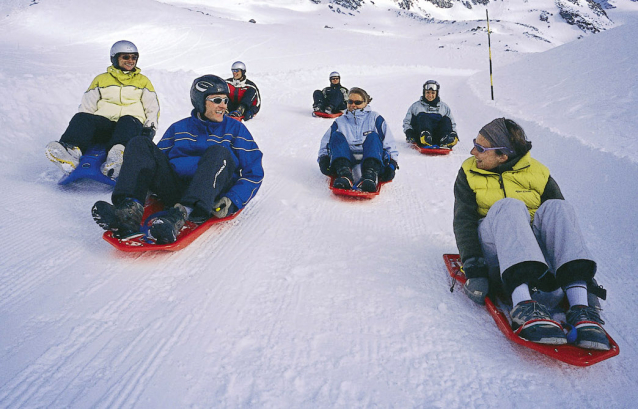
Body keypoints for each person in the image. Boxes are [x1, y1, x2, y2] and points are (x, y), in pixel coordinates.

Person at [453, 117, 610, 350]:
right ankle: (523, 303)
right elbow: (463, 221)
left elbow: (562, 229)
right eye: (475, 143)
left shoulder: (539, 173)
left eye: (481, 148)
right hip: (495, 253)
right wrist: (473, 267)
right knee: (510, 206)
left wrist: (586, 279)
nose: (473, 151)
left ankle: (579, 304)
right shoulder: (468, 171)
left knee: (559, 208)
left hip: (537, 259)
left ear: (503, 156)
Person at [92, 74, 264, 244]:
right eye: (217, 100)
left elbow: (254, 172)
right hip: (175, 188)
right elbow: (152, 161)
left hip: (210, 191)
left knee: (218, 152)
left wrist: (232, 200)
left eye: (226, 101)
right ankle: (128, 211)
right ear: (200, 101)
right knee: (140, 143)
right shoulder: (179, 128)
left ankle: (180, 216)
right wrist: (142, 187)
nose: (224, 106)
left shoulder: (236, 130)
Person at [45, 40, 160, 178]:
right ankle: (70, 153)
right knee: (81, 117)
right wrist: (84, 125)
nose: (130, 61)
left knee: (128, 120)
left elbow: (152, 107)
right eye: (125, 57)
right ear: (115, 58)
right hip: (105, 125)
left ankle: (118, 156)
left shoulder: (143, 81)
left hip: (130, 127)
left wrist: (150, 129)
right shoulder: (101, 79)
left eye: (134, 57)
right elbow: (88, 105)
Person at [317, 87, 398, 193]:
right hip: (346, 157)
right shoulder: (340, 121)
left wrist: (392, 164)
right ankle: (344, 175)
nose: (353, 105)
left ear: (365, 103)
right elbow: (326, 143)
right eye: (350, 101)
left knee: (373, 137)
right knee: (336, 136)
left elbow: (389, 143)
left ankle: (369, 176)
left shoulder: (375, 118)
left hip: (371, 156)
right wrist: (323, 159)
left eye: (358, 102)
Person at [403, 80, 458, 148]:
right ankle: (425, 137)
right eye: (427, 92)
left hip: (438, 136)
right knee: (423, 117)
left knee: (446, 119)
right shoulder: (416, 107)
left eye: (433, 93)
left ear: (436, 93)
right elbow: (407, 122)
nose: (430, 95)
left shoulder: (444, 107)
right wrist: (409, 132)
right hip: (420, 135)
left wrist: (454, 133)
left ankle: (445, 139)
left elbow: (452, 123)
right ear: (424, 92)